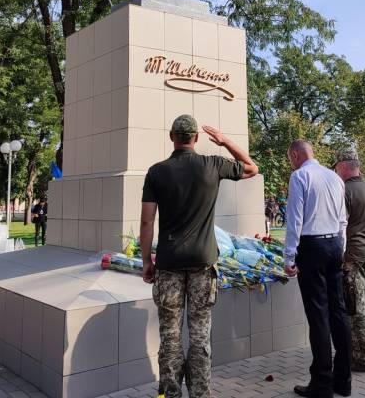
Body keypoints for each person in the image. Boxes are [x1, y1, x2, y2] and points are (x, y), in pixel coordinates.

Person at [140, 115, 258, 398]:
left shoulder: (156, 172)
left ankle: (170, 393)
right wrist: (226, 141)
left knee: (170, 336)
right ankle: (201, 393)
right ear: (196, 138)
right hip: (203, 264)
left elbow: (146, 222)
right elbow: (253, 168)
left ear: (172, 137)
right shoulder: (212, 164)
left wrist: (147, 261)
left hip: (168, 264)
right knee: (200, 336)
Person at [284, 140, 351, 398]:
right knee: (339, 311)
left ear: (295, 154)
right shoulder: (334, 178)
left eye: (291, 157)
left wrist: (289, 257)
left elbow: (295, 219)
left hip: (312, 247)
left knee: (318, 315)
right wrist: (340, 247)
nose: (291, 161)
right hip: (334, 243)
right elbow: (343, 219)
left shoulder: (300, 176)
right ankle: (343, 380)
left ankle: (322, 383)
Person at [333, 148, 365, 373]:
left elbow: (340, 225)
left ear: (344, 167)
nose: (335, 171)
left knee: (357, 308)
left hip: (352, 257)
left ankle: (362, 358)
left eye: (336, 168)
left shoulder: (344, 191)